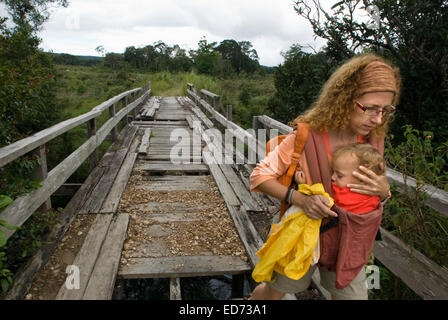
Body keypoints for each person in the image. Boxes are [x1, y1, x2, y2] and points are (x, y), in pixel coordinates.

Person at [248, 53, 401, 300]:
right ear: (344, 98)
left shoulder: (372, 141)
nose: (378, 119)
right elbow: (259, 176)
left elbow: (374, 195)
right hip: (302, 237)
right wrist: (301, 199)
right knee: (274, 293)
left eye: (385, 110)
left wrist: (384, 193)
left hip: (349, 243)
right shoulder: (306, 137)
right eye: (370, 108)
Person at [251, 143, 386, 289]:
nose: (332, 178)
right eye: (333, 172)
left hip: (323, 246)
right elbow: (382, 198)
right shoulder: (372, 196)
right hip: (349, 255)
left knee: (275, 289)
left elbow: (319, 196)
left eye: (339, 175)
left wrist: (302, 185)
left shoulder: (342, 194)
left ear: (362, 178)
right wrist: (384, 191)